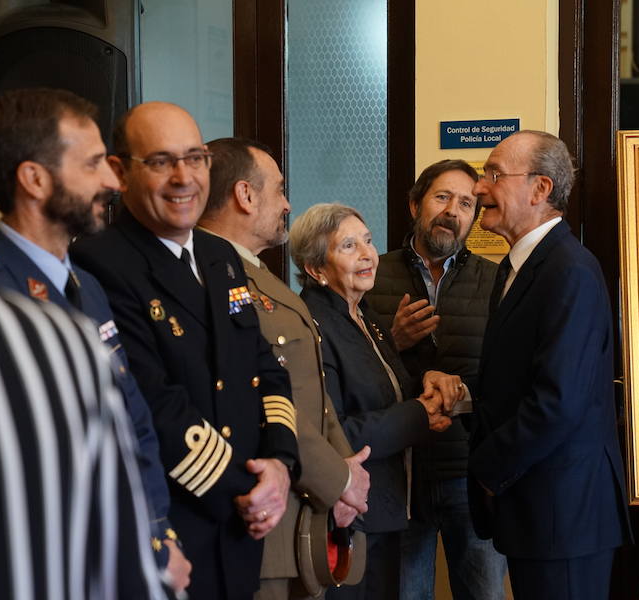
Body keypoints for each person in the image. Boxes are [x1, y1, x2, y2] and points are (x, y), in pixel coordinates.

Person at [0, 80, 168, 599]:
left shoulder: (87, 285)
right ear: (34, 179)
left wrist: (158, 539)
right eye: (92, 164)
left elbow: (132, 422)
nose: (113, 181)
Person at [71, 102, 300, 600]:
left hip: (242, 531)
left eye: (195, 158)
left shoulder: (220, 256)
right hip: (175, 531)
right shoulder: (98, 262)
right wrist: (249, 489)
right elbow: (154, 404)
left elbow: (265, 370)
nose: (183, 177)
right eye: (160, 161)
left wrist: (281, 464)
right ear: (119, 172)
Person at [197, 137, 372, 599]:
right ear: (245, 195)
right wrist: (338, 479)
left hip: (305, 514)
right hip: (268, 521)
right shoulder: (212, 274)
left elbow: (311, 389)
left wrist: (345, 470)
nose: (288, 204)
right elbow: (261, 395)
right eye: (278, 189)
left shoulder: (258, 274)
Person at [468, 131, 630, 600]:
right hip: (537, 508)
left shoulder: (569, 270)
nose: (481, 187)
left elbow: (558, 401)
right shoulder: (519, 265)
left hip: (564, 515)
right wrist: (462, 393)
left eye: (494, 174)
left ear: (540, 190)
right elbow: (518, 375)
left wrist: (485, 468)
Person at [290, 203, 463, 600]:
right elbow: (336, 432)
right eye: (348, 246)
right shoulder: (313, 324)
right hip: (348, 517)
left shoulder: (364, 315)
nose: (367, 254)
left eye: (367, 241)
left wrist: (425, 380)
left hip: (386, 510)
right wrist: (420, 414)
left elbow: (383, 388)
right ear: (317, 269)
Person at [365, 159, 505, 600]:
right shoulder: (370, 276)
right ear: (414, 205)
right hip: (398, 473)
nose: (452, 210)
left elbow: (509, 376)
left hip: (470, 472)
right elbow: (348, 376)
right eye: (442, 197)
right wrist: (395, 340)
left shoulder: (497, 279)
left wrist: (461, 392)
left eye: (466, 203)